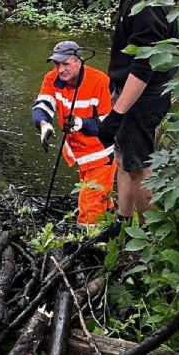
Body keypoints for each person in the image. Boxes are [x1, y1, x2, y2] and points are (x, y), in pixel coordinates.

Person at [96, 0, 179, 232]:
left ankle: (148, 241)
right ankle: (122, 222)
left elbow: (145, 65)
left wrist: (118, 114)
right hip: (131, 91)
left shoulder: (150, 3)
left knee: (141, 168)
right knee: (124, 160)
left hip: (140, 96)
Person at [32, 41, 116, 226]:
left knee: (90, 207)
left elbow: (110, 123)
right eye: (57, 64)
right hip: (79, 153)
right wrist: (44, 124)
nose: (60, 69)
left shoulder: (100, 81)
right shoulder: (52, 78)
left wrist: (82, 123)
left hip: (101, 155)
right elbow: (43, 104)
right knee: (101, 197)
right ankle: (112, 222)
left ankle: (88, 243)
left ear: (79, 61)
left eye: (65, 64)